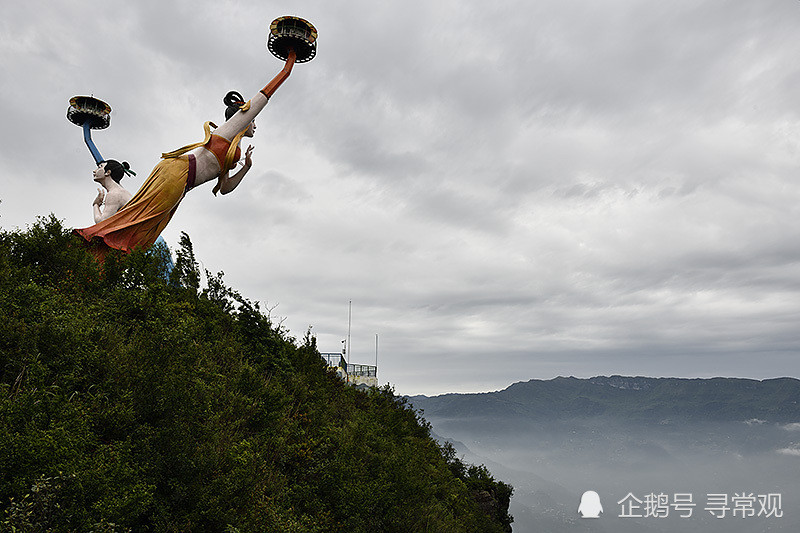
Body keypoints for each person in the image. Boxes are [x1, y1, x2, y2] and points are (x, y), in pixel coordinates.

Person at [73, 50, 298, 259]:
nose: (254, 126)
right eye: (252, 121)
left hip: (181, 183)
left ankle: (104, 260)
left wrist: (246, 167)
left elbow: (225, 187)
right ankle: (92, 246)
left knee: (145, 230)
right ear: (243, 118)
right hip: (178, 173)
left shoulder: (233, 151)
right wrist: (287, 68)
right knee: (140, 219)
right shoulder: (227, 131)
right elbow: (259, 101)